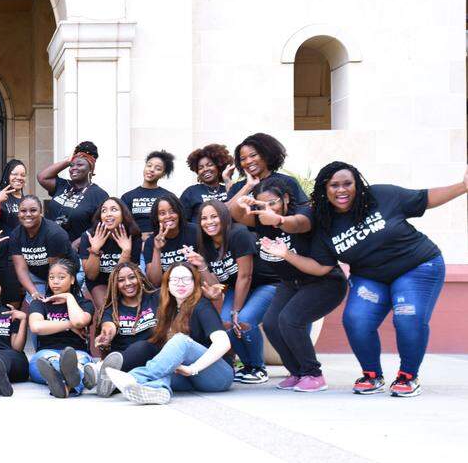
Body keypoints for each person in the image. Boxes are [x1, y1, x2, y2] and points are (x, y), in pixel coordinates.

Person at [273, 162, 466, 397]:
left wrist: (463, 186)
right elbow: (322, 267)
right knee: (356, 319)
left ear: (357, 185)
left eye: (347, 183)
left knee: (408, 316)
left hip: (417, 266)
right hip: (370, 276)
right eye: (334, 185)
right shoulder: (324, 223)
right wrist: (286, 254)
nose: (341, 190)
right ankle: (371, 375)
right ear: (325, 189)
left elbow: (425, 198)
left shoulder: (381, 196)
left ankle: (407, 376)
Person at [247, 177, 346, 393]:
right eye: (261, 205)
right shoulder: (261, 220)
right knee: (272, 323)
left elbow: (299, 224)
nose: (268, 209)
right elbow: (234, 214)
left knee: (290, 320)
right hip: (291, 282)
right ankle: (297, 372)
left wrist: (281, 227)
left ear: (285, 198)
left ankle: (313, 374)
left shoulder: (304, 214)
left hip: (324, 281)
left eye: (273, 202)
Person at [105, 262, 234, 405]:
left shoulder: (201, 305)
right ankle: (160, 392)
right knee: (163, 369)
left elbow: (224, 343)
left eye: (186, 279)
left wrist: (193, 369)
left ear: (194, 282)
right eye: (175, 280)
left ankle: (133, 377)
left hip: (217, 376)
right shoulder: (167, 308)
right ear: (167, 284)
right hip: (190, 378)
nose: (180, 284)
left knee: (180, 340)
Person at [188, 199, 274, 384]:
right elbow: (218, 286)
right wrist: (202, 266)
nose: (209, 222)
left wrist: (236, 310)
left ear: (224, 217)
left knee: (243, 320)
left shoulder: (238, 234)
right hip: (238, 288)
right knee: (226, 323)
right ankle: (247, 365)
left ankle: (258, 368)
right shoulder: (206, 244)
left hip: (265, 284)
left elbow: (246, 275)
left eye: (214, 216)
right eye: (204, 218)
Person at [27, 258, 94, 398]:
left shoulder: (83, 303)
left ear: (72, 280)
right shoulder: (39, 303)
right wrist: (69, 325)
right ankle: (70, 382)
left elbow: (80, 321)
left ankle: (63, 386)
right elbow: (37, 326)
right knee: (43, 363)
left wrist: (69, 297)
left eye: (61, 277)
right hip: (46, 352)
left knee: (80, 362)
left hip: (77, 352)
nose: (55, 281)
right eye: (51, 277)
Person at [91, 262, 158, 396]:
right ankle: (102, 379)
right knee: (120, 381)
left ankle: (99, 373)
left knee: (143, 346)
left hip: (151, 358)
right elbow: (108, 325)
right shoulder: (110, 308)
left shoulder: (156, 298)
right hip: (121, 362)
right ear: (115, 285)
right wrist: (106, 335)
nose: (127, 283)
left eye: (132, 277)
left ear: (140, 277)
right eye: (121, 280)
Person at [225, 133, 309, 224]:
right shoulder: (238, 187)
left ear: (266, 154)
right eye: (243, 159)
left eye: (253, 155)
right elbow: (224, 214)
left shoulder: (287, 181)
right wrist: (248, 186)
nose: (248, 161)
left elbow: (304, 212)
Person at [37, 141, 109, 246]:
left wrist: (78, 243)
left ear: (90, 168)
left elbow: (101, 225)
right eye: (72, 165)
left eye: (80, 165)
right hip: (50, 247)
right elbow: (42, 177)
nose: (73, 168)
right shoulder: (63, 185)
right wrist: (67, 161)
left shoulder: (99, 194)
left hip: (77, 252)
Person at [79, 197, 141, 315]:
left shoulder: (133, 235)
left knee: (130, 309)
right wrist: (95, 249)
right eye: (104, 211)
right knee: (108, 311)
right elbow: (91, 276)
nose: (108, 214)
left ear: (123, 214)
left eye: (114, 209)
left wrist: (126, 251)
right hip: (99, 280)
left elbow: (124, 274)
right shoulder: (89, 236)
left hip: (124, 279)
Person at [8, 195, 74, 304]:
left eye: (33, 210)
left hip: (63, 274)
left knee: (55, 306)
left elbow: (55, 270)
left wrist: (51, 297)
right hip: (37, 275)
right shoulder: (15, 235)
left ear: (41, 212)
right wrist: (34, 293)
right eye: (23, 211)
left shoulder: (54, 234)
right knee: (35, 306)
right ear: (18, 213)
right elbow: (21, 269)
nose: (28, 214)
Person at [142, 194, 200, 286]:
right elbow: (155, 282)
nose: (168, 216)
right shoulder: (151, 242)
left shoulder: (195, 231)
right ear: (156, 218)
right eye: (162, 213)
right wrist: (157, 249)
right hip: (167, 289)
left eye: (172, 211)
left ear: (179, 212)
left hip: (193, 286)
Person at [121, 151, 176, 237]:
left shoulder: (169, 196)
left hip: (161, 242)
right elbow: (123, 224)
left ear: (163, 174)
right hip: (135, 243)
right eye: (149, 165)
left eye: (158, 168)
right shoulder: (128, 197)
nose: (151, 170)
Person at [180, 144, 232, 222]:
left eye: (210, 165)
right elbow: (183, 221)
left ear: (218, 166)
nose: (205, 169)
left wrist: (227, 179)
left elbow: (236, 210)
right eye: (200, 168)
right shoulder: (191, 192)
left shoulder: (228, 188)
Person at [0, 159, 27, 231]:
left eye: (23, 175)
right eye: (14, 174)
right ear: (7, 175)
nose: (19, 178)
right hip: (2, 241)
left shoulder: (27, 201)